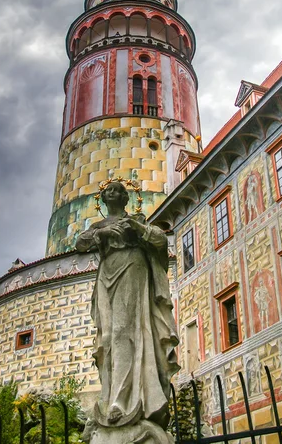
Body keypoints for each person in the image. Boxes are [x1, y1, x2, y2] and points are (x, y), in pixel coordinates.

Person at [76, 181, 179, 430]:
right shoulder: (98, 225)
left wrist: (138, 229)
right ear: (103, 199)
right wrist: (104, 233)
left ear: (126, 198)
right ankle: (110, 396)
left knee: (124, 333)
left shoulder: (137, 219)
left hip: (132, 267)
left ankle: (121, 402)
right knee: (109, 337)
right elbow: (81, 243)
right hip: (106, 273)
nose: (114, 192)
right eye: (109, 190)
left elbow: (160, 241)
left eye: (119, 190)